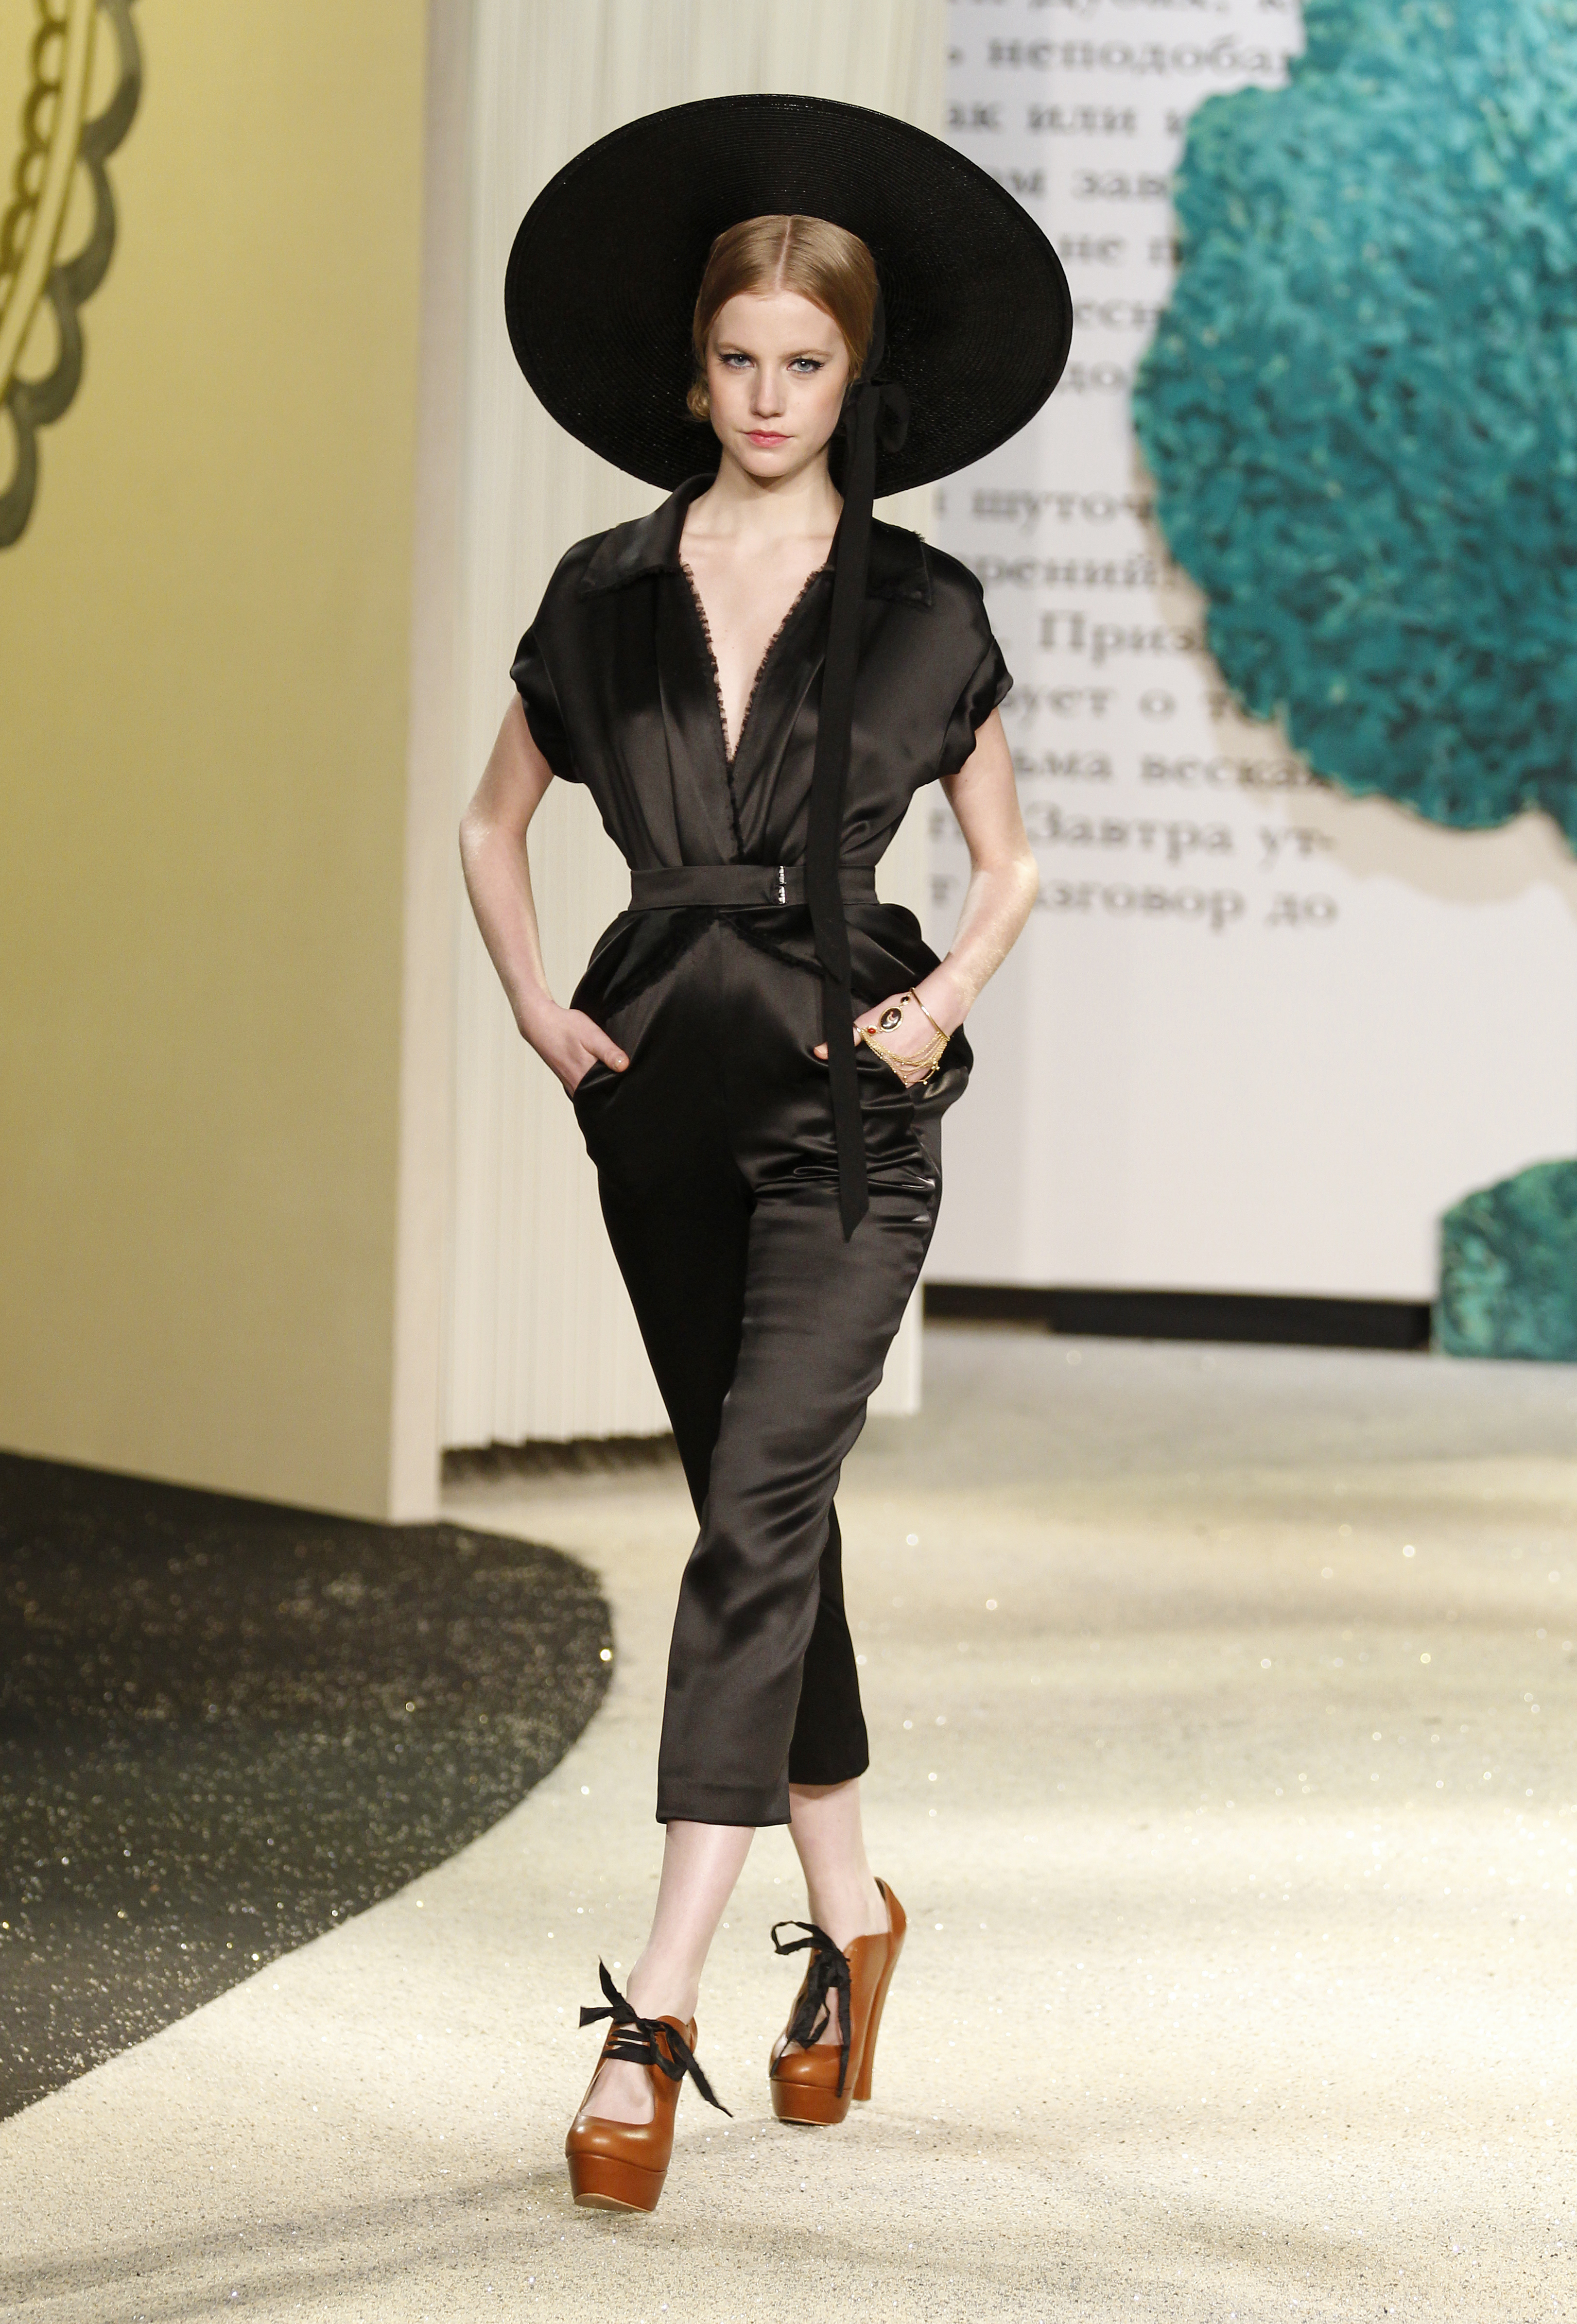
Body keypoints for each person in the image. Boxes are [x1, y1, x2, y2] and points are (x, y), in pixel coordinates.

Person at [460, 95, 1069, 2213]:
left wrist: (939, 999)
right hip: (655, 1104)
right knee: (762, 1517)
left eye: (806, 363)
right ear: (696, 367)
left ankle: (658, 2009)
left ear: (855, 375)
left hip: (847, 1112)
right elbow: (490, 819)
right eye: (739, 359)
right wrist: (539, 1008)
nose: (769, 396)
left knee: (750, 1529)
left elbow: (1009, 861)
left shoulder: (921, 603)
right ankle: (857, 1920)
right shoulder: (605, 589)